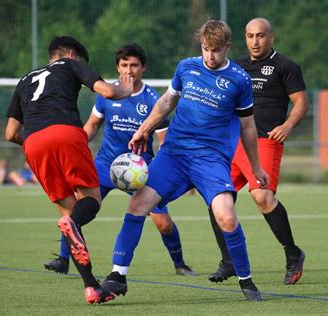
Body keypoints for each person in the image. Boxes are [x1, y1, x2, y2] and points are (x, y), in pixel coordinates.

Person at [100, 20, 269, 302]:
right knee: (138, 204)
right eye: (205, 49)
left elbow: (248, 126)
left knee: (226, 217)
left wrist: (255, 167)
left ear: (227, 47)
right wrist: (143, 129)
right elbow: (167, 102)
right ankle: (118, 276)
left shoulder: (239, 80)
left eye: (216, 51)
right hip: (174, 155)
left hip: (211, 159)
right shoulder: (186, 67)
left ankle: (246, 280)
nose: (210, 56)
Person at [44, 43, 197, 277]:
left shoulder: (152, 100)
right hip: (105, 166)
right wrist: (73, 149)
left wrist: (172, 174)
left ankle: (180, 264)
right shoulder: (108, 94)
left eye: (134, 65)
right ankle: (64, 259)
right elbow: (92, 126)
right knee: (76, 210)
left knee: (163, 223)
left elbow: (165, 142)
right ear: (117, 68)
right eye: (124, 65)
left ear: (143, 67)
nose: (129, 70)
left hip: (139, 170)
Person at [5, 36, 134, 304]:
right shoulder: (70, 64)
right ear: (72, 54)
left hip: (34, 144)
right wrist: (124, 88)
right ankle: (73, 224)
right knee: (90, 201)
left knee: (69, 215)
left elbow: (10, 133)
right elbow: (108, 92)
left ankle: (91, 288)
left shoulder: (25, 79)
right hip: (65, 133)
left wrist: (33, 140)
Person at [207, 18, 309, 285]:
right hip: (232, 142)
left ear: (271, 37)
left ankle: (293, 253)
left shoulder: (286, 67)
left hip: (265, 140)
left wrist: (287, 125)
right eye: (250, 35)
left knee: (262, 196)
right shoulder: (236, 65)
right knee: (215, 195)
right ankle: (228, 260)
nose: (255, 41)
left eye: (261, 36)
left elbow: (301, 103)